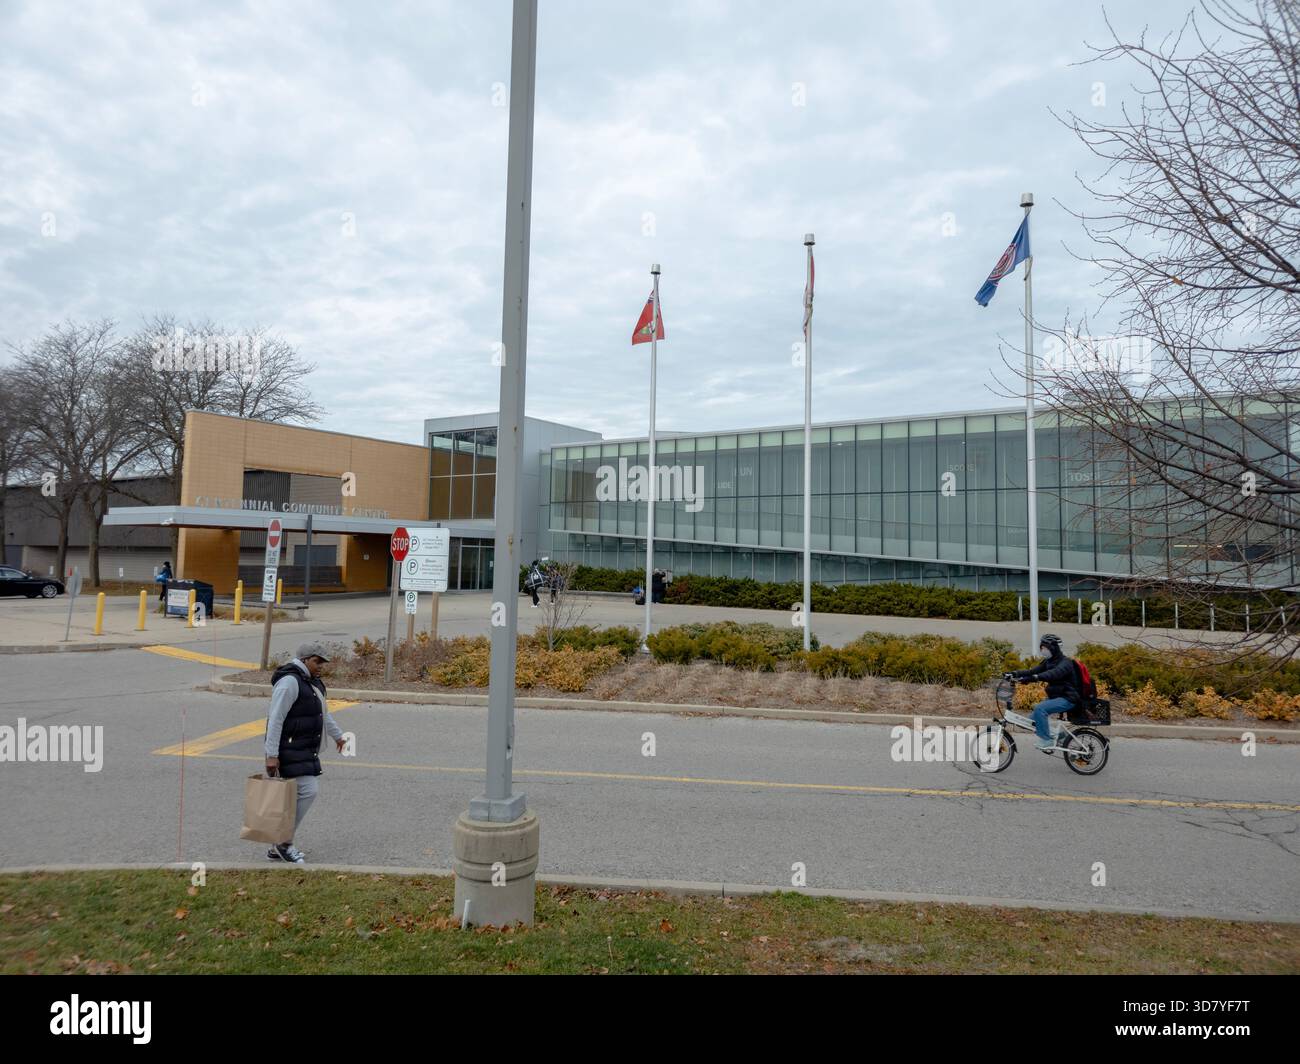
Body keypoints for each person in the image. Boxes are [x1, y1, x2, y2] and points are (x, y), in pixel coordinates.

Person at [263, 642, 346, 863]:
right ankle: (282, 843)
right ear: (304, 659)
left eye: (323, 662)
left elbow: (322, 712)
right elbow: (275, 718)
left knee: (297, 795)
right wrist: (271, 754)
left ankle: (278, 845)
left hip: (304, 748)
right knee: (308, 790)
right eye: (317, 661)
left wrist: (338, 736)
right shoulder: (289, 682)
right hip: (288, 747)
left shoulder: (313, 682)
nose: (321, 666)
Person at [1008, 634, 1081, 751]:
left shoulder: (1065, 663)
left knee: (1040, 709)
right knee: (1031, 721)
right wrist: (1015, 674)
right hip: (1057, 696)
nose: (1042, 650)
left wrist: (1035, 678)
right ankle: (1060, 736)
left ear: (1053, 648)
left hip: (1068, 698)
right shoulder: (1049, 661)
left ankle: (1047, 739)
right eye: (1041, 647)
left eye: (1045, 648)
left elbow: (1053, 674)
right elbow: (1032, 671)